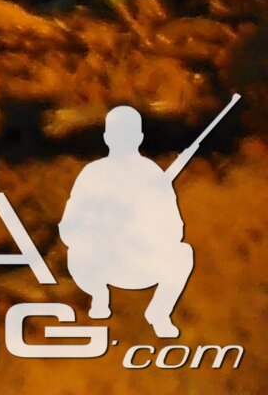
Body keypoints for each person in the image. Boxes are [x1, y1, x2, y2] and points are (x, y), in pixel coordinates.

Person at [61, 105, 196, 337]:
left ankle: (159, 312)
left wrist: (143, 224)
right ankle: (99, 296)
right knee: (76, 252)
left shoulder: (152, 175)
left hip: (142, 264)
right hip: (101, 264)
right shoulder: (93, 174)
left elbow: (175, 230)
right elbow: (69, 228)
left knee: (183, 253)